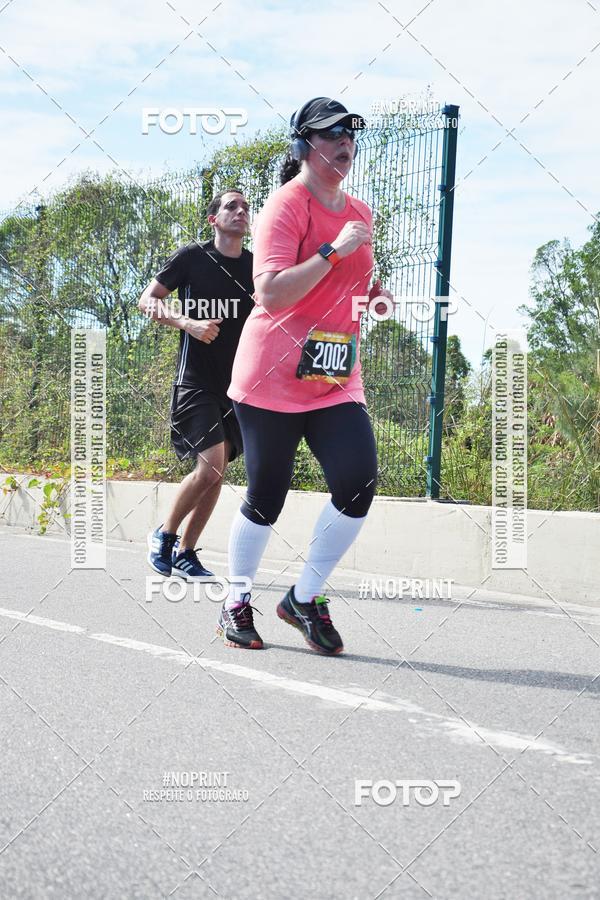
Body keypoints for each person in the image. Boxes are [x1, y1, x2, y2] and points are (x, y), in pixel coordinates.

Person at [217, 97, 392, 653]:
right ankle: (236, 600)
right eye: (332, 133)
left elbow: (352, 284)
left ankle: (304, 598)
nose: (345, 142)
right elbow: (270, 293)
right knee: (268, 493)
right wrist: (333, 252)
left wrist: (373, 296)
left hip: (334, 373)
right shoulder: (285, 206)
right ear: (305, 145)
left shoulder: (360, 212)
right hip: (272, 374)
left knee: (358, 482)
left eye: (351, 134)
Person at [139, 189, 254, 579]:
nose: (240, 211)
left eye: (245, 207)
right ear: (213, 219)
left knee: (217, 472)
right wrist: (187, 323)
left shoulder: (256, 266)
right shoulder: (192, 257)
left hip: (238, 389)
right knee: (210, 467)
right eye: (231, 206)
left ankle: (186, 552)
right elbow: (147, 300)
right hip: (195, 383)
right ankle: (164, 535)